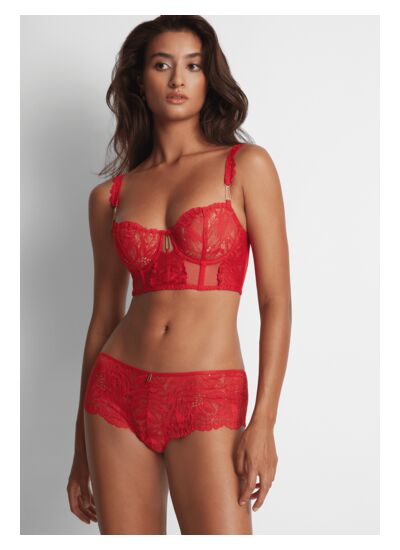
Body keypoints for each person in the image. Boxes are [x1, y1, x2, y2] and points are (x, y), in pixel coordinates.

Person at [67, 15, 291, 535]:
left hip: (208, 395)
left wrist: (264, 421)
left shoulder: (246, 166)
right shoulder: (109, 198)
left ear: (209, 79)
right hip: (115, 395)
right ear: (139, 81)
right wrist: (79, 449)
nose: (177, 80)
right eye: (161, 65)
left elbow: (275, 301)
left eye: (192, 66)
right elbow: (103, 318)